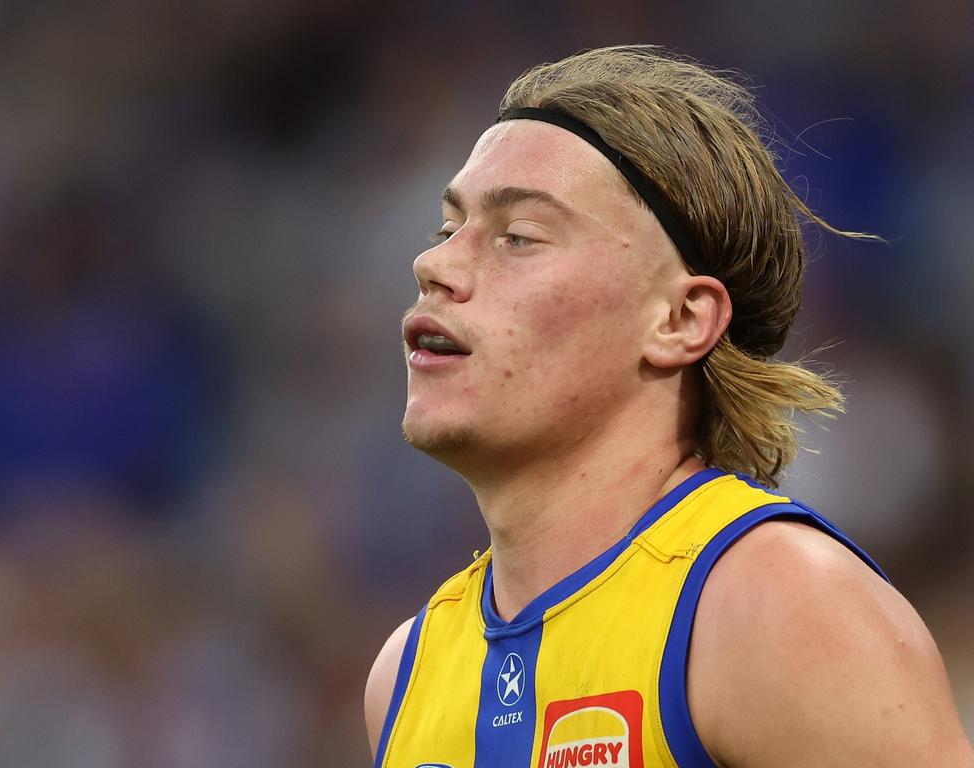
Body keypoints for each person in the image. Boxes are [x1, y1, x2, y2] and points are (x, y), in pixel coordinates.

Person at [364, 46, 974, 767]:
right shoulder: (405, 672)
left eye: (518, 237)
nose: (432, 264)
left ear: (680, 320)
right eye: (446, 230)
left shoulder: (779, 607)